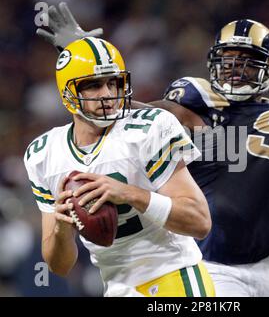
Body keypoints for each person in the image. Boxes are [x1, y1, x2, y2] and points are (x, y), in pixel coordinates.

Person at [37, 5, 269, 296]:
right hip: (208, 265)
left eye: (247, 63)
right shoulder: (196, 107)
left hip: (265, 267)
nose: (234, 70)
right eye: (228, 59)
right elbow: (128, 112)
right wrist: (85, 60)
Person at [24, 36, 215, 297]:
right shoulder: (43, 153)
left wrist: (129, 193)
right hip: (116, 286)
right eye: (93, 85)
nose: (107, 94)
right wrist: (61, 228)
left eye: (113, 83)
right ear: (67, 93)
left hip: (174, 276)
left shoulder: (149, 128)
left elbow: (200, 221)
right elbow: (60, 266)